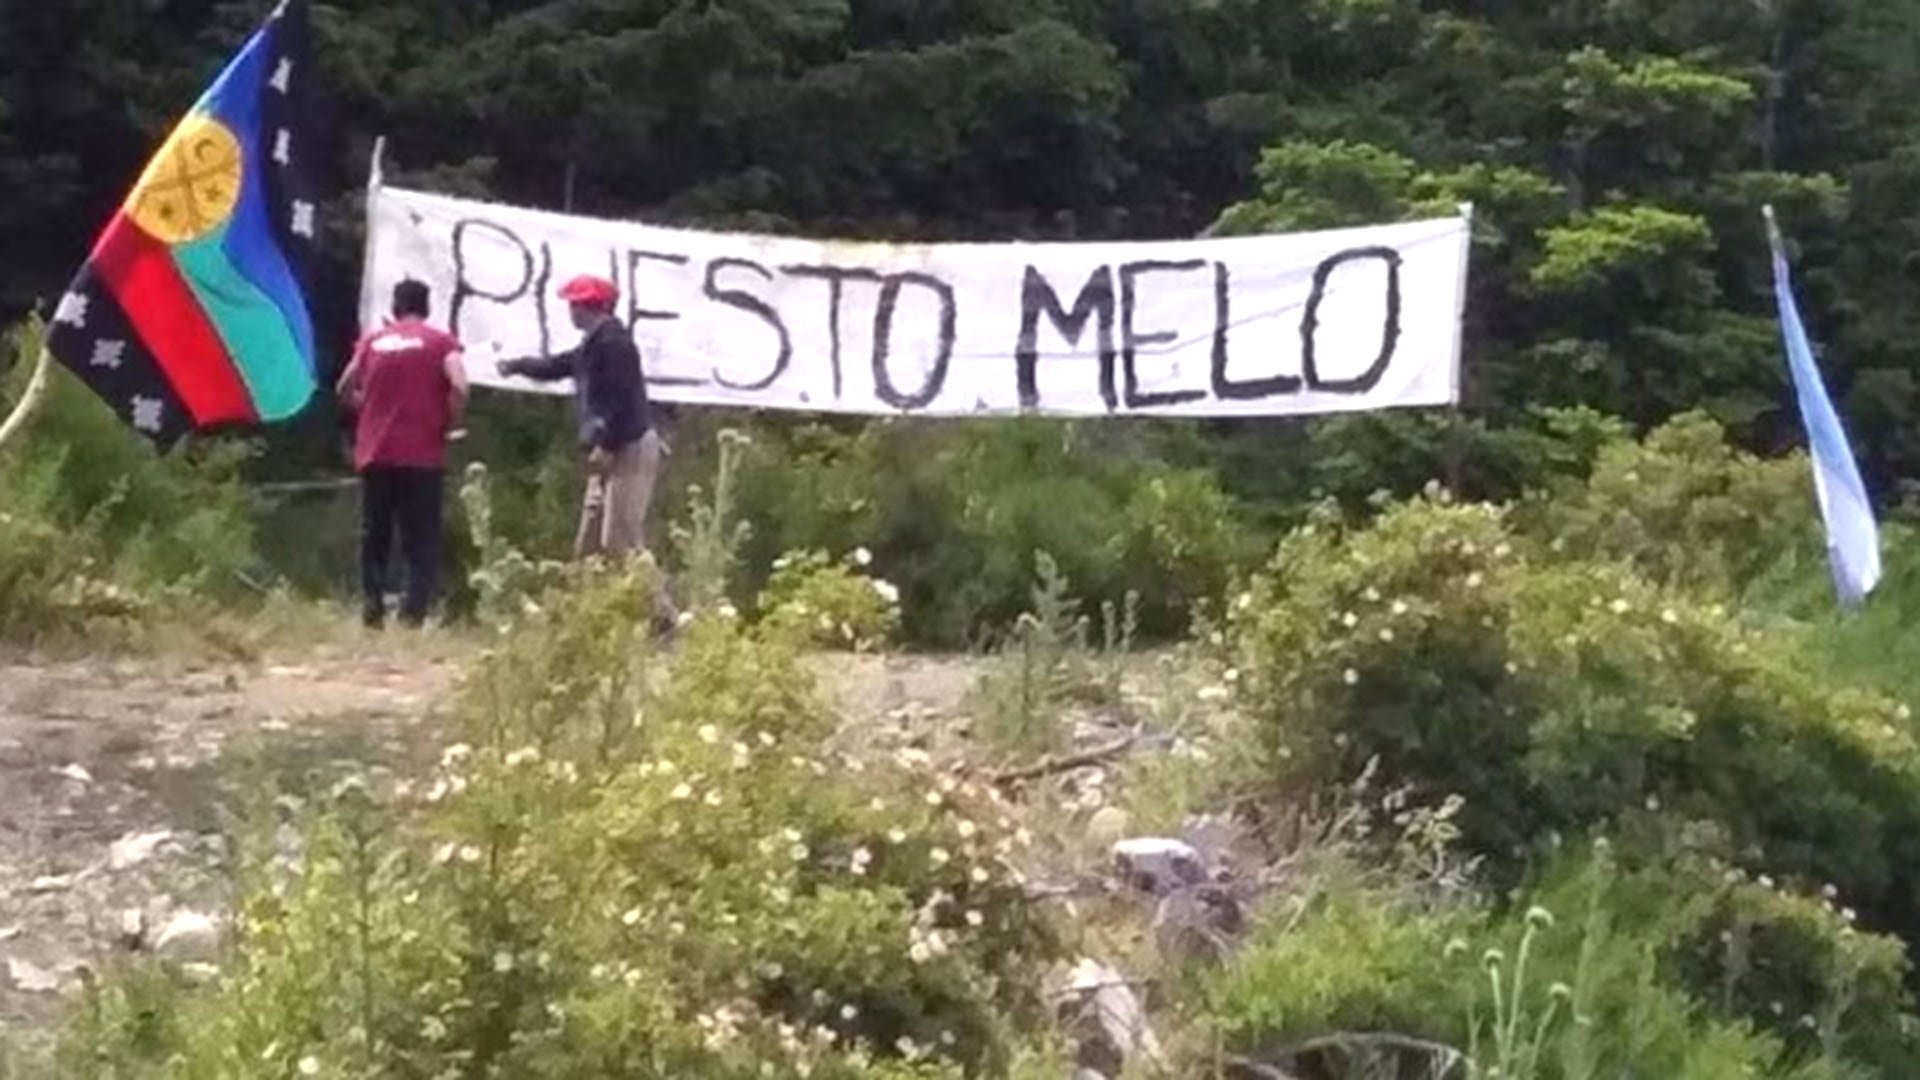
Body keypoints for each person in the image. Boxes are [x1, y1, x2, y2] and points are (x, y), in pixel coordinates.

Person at [497, 274, 665, 561]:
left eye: (575, 304)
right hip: (611, 448)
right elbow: (556, 366)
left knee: (620, 541)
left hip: (627, 447)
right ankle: (590, 602)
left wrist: (607, 446)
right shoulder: (594, 344)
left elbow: (621, 401)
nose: (571, 311)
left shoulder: (614, 344)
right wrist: (517, 366)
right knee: (590, 546)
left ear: (588, 306)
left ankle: (662, 607)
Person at [336, 279, 467, 629]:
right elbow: (459, 384)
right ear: (426, 308)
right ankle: (412, 613)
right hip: (422, 453)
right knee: (420, 536)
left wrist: (367, 409)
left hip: (376, 451)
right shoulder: (441, 342)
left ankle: (372, 607)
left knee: (374, 534)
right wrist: (450, 420)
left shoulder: (373, 342)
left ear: (395, 307)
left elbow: (344, 385)